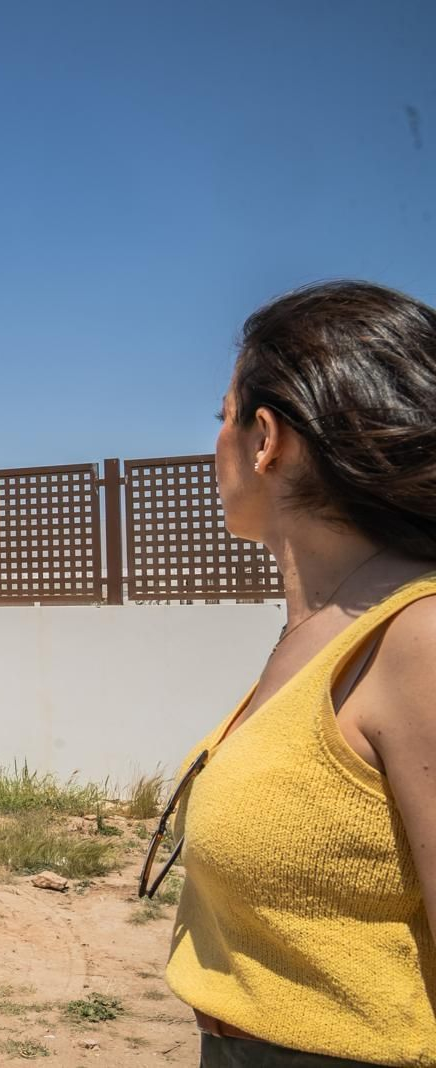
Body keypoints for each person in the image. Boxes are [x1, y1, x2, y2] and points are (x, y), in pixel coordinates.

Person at [152, 282, 436, 1066]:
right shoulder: (320, 631)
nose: (215, 439)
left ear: (266, 438)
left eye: (224, 414)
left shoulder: (420, 638)